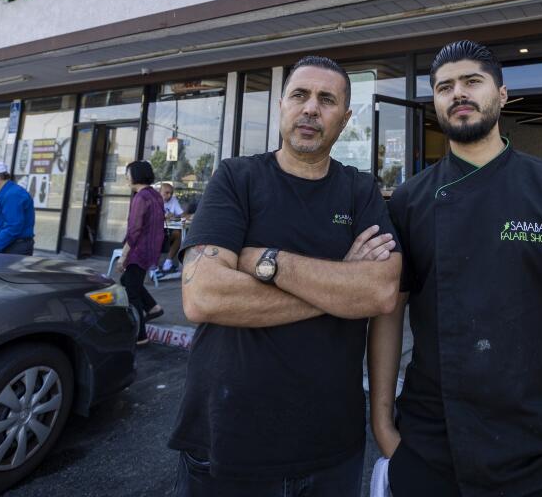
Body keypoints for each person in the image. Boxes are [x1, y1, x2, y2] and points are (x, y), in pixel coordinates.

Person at [370, 41, 542, 496]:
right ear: (434, 101)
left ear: (503, 94)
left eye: (472, 82)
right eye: (444, 87)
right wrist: (382, 423)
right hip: (431, 446)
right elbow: (389, 311)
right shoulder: (410, 201)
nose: (458, 94)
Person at [171, 55, 401, 496]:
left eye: (327, 99)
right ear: (281, 106)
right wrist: (340, 287)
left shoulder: (359, 190)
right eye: (300, 95)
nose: (311, 108)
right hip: (227, 439)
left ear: (346, 118)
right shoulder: (236, 178)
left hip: (330, 445)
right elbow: (204, 296)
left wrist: (267, 262)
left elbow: (382, 290)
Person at [119, 161, 165, 346]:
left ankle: (141, 336)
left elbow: (134, 231)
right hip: (150, 249)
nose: (126, 177)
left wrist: (123, 257)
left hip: (138, 251)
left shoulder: (140, 197)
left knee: (131, 291)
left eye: (128, 173)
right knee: (129, 282)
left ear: (136, 175)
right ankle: (153, 307)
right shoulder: (155, 195)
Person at [159, 181, 185, 273]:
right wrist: (164, 216)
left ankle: (168, 263)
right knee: (176, 233)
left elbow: (181, 214)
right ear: (160, 192)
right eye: (166, 192)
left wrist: (178, 216)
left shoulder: (173, 200)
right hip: (155, 231)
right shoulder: (155, 200)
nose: (169, 195)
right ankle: (154, 265)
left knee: (178, 233)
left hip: (168, 229)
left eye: (171, 193)